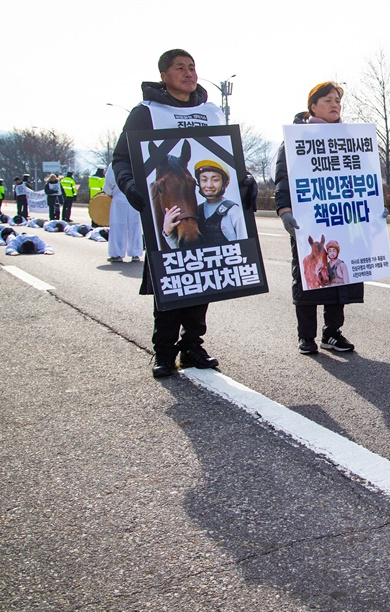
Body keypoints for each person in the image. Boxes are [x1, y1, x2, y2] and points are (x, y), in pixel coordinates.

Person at [113, 48, 256, 378]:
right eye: (180, 68)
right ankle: (163, 351)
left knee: (203, 280)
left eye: (192, 68)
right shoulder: (145, 112)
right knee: (171, 282)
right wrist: (132, 188)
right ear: (164, 75)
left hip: (201, 207)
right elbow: (121, 159)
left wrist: (243, 179)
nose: (189, 73)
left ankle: (193, 345)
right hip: (166, 210)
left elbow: (228, 157)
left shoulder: (211, 111)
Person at [275, 81, 362, 355]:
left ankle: (332, 334)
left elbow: (363, 178)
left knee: (338, 276)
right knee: (308, 276)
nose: (335, 104)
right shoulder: (295, 139)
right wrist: (284, 211)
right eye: (328, 100)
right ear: (312, 106)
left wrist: (373, 208)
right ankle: (306, 336)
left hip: (342, 219)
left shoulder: (351, 139)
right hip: (309, 222)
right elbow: (283, 180)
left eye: (338, 100)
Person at [103, 163, 143, 263]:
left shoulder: (115, 164)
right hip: (135, 197)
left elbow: (109, 182)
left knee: (118, 226)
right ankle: (135, 253)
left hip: (119, 198)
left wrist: (108, 192)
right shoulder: (136, 160)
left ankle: (117, 254)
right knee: (135, 226)